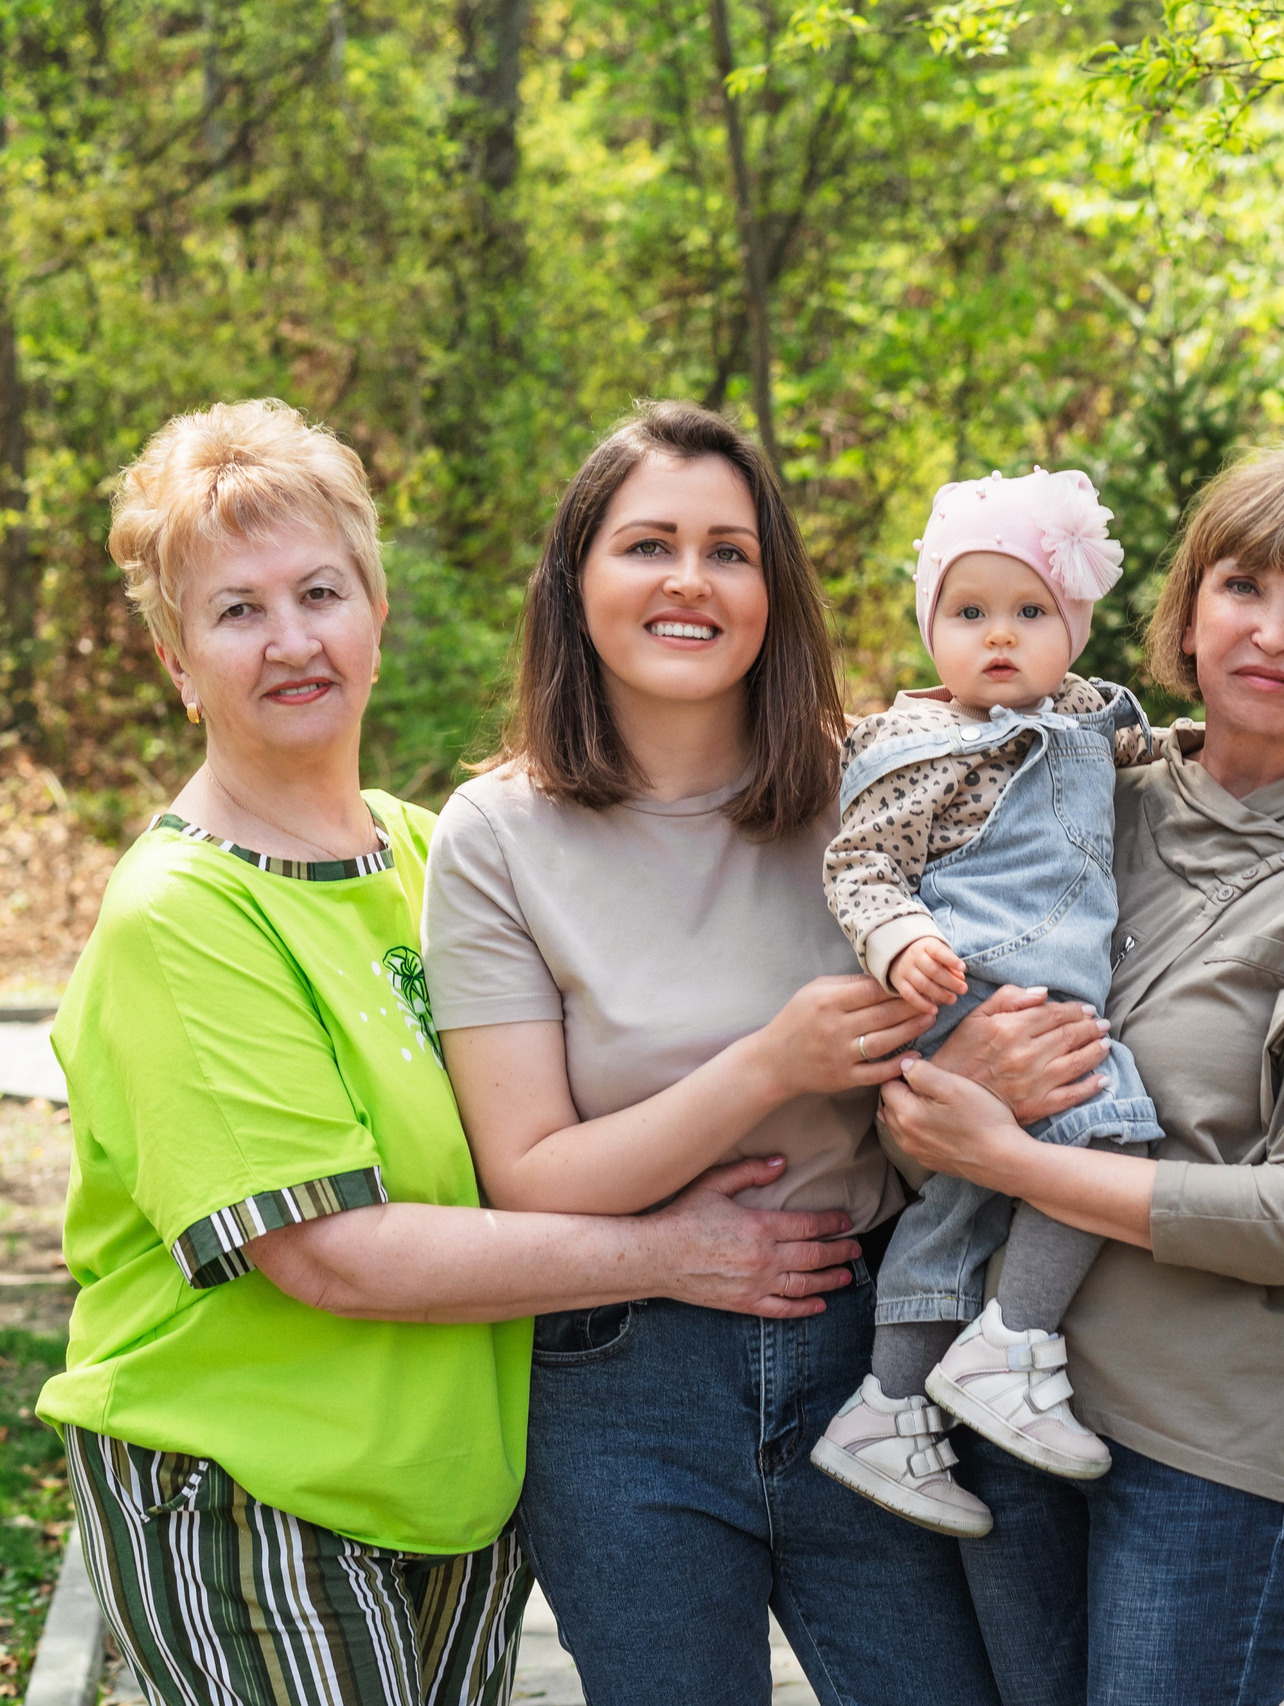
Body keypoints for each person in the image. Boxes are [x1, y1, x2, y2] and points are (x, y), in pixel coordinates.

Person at [39, 399, 862, 1706]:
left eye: (321, 591)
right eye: (236, 610)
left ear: (377, 613)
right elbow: (331, 1253)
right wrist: (673, 1250)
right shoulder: (180, 916)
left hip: (454, 1494)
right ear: (176, 659)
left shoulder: (429, 855)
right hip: (250, 1490)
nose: (293, 638)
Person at [419, 402, 999, 1706]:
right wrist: (770, 1062)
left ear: (772, 591)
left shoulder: (878, 795)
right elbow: (529, 1173)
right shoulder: (496, 837)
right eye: (648, 545)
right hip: (623, 1384)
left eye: (729, 550)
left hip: (876, 1354)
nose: (690, 580)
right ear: (578, 580)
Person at [877, 443, 1284, 1706]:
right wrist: (953, 1094)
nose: (1274, 631)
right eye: (1243, 584)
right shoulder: (1081, 791)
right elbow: (923, 1081)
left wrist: (1018, 1161)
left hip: (1206, 1447)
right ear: (1187, 612)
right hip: (1000, 1407)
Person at [809, 468, 1166, 1539]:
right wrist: (901, 939)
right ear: (930, 627)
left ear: (1075, 627)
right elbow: (859, 866)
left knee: (960, 1211)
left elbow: (1152, 763)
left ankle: (886, 1409)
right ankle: (1013, 1342)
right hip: (970, 989)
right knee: (1110, 1145)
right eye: (967, 614)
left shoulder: (1086, 718)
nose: (997, 637)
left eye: (1029, 612)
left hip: (1032, 986)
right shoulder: (923, 751)